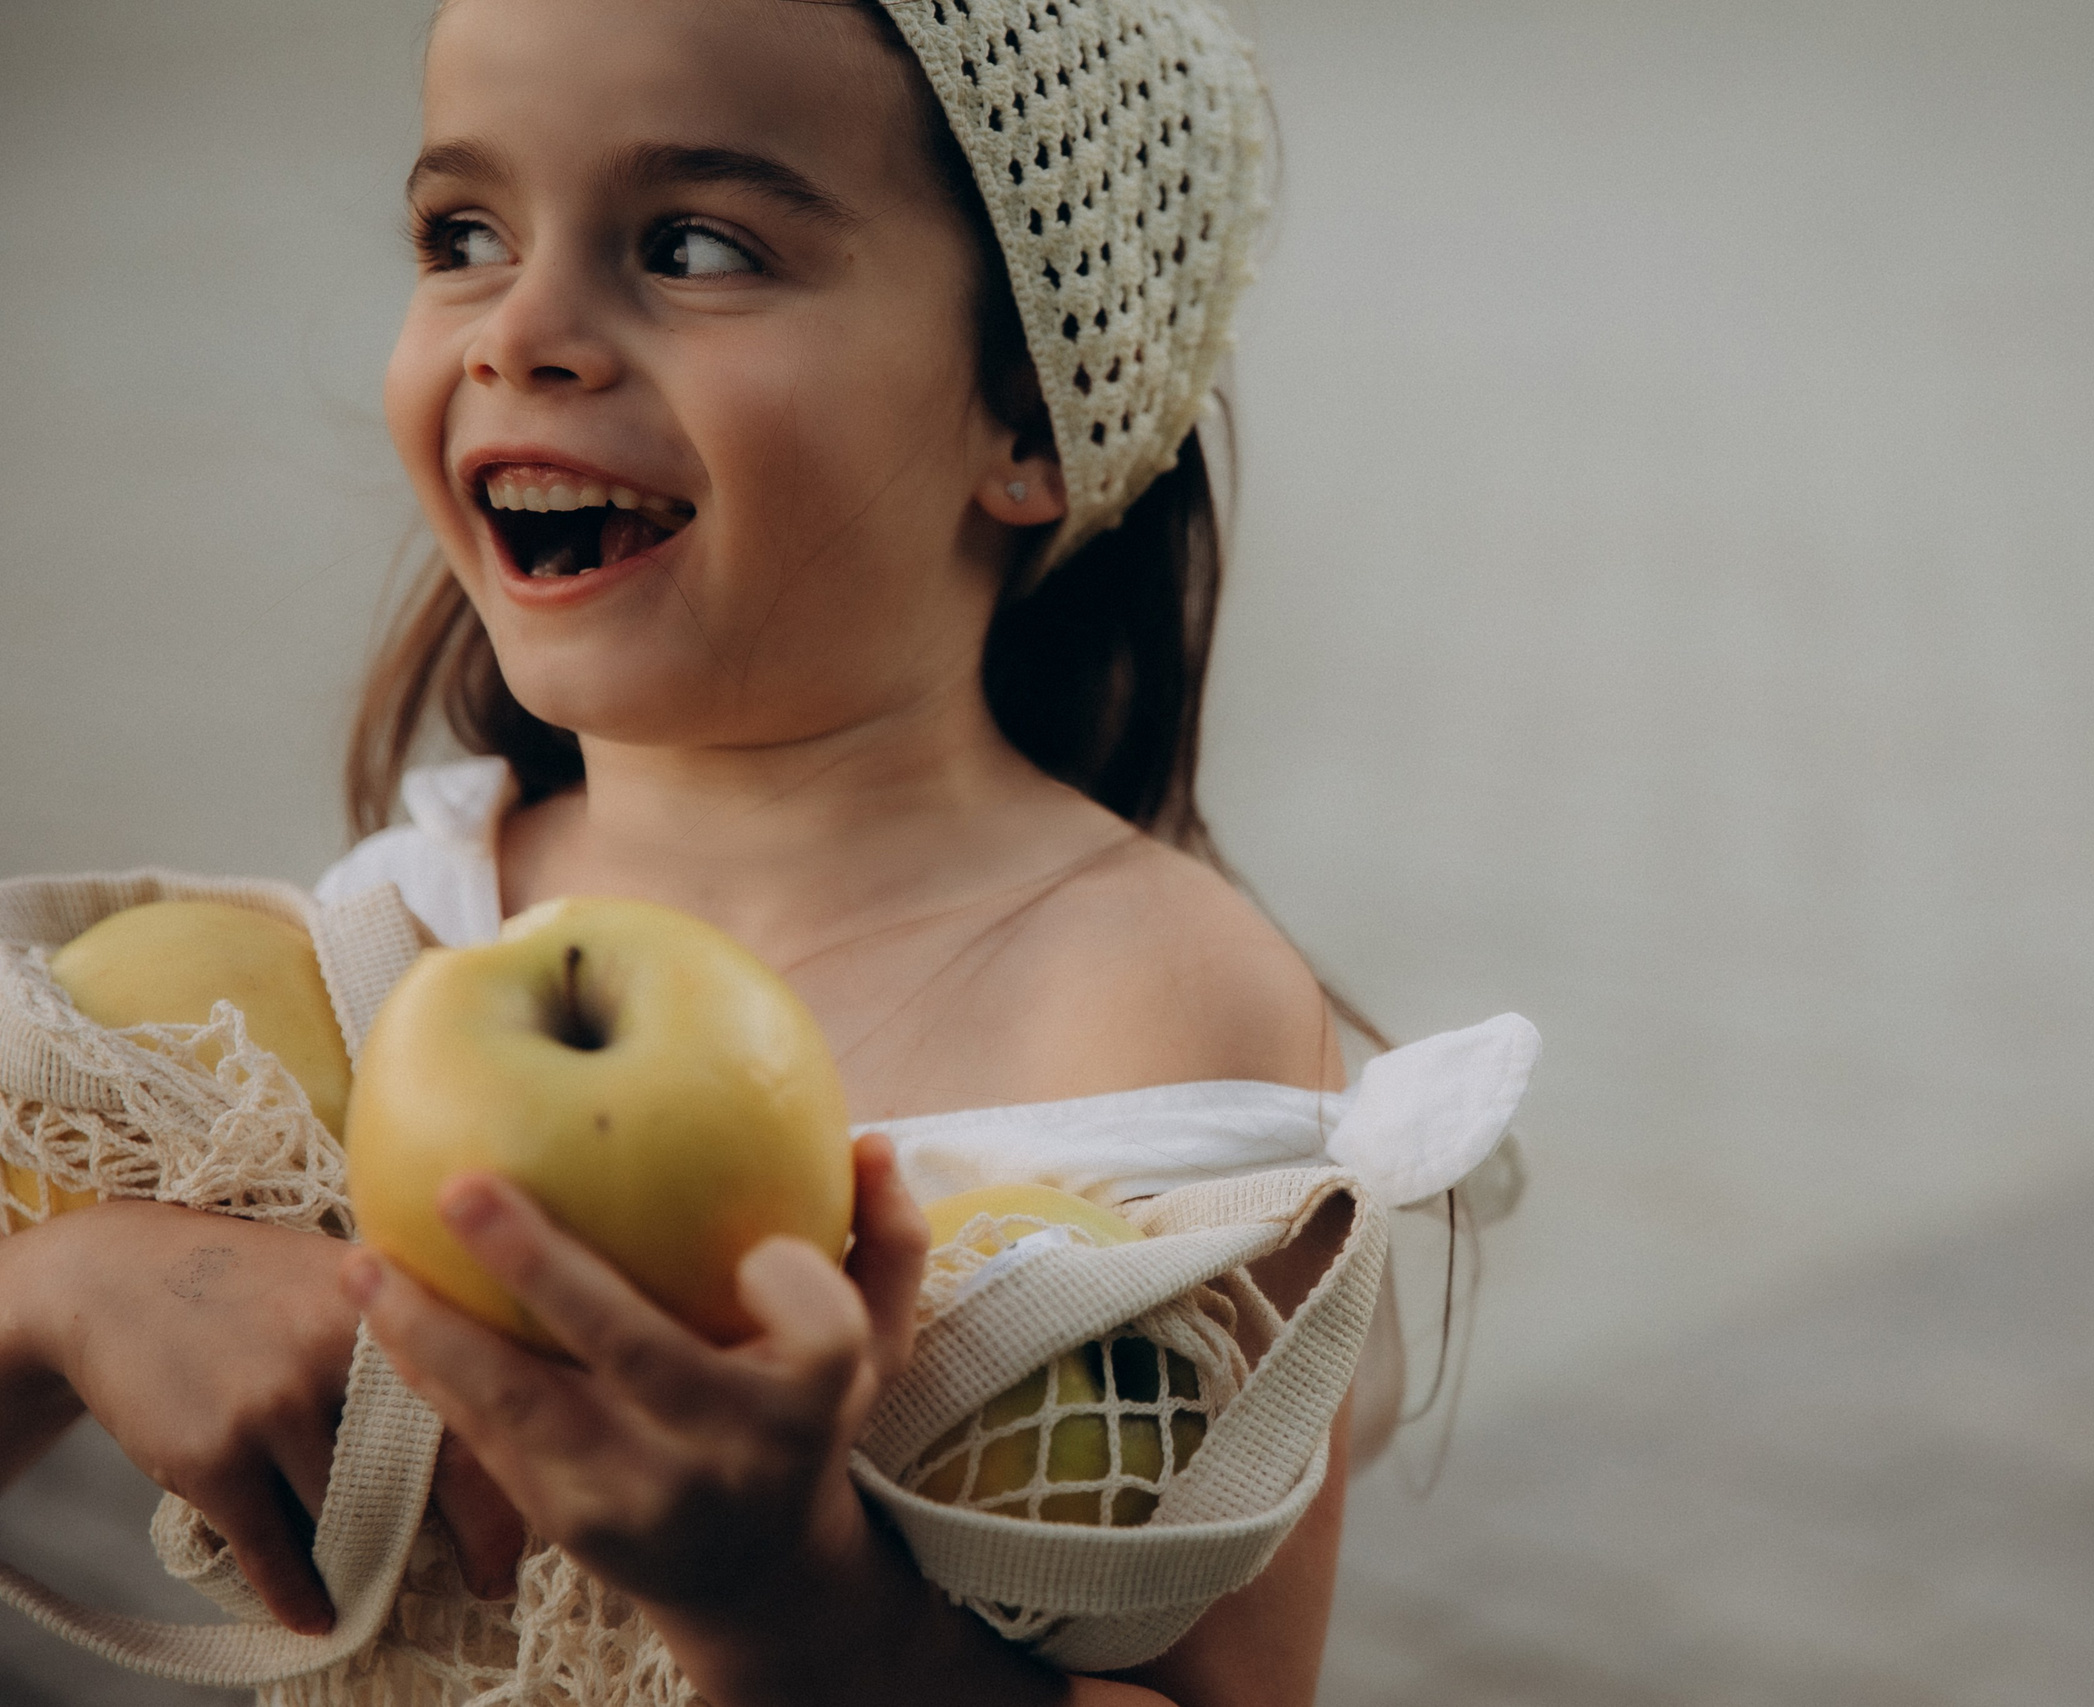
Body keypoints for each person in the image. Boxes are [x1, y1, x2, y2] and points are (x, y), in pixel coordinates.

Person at [0, 2, 1532, 1702]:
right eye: (464, 236)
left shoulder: (1155, 1012)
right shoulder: (400, 929)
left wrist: (795, 1604)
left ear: (1029, 414)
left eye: (696, 247)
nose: (523, 332)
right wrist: (64, 1296)